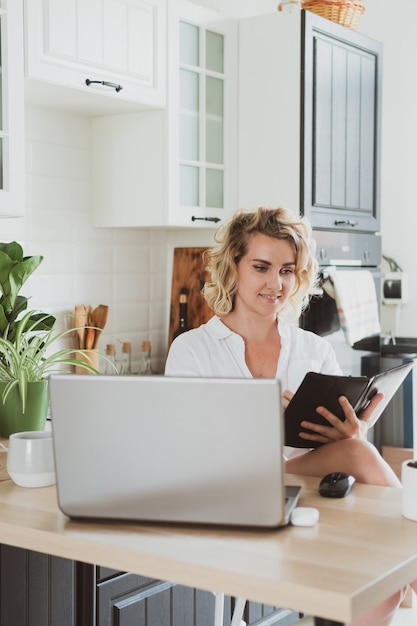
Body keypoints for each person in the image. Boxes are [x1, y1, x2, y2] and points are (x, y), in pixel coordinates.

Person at [165, 207, 407, 625]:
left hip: (305, 491)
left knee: (384, 588)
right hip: (228, 491)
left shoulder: (315, 349)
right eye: (261, 267)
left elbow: (345, 453)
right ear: (233, 267)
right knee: (358, 460)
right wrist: (255, 422)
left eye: (287, 270)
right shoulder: (193, 349)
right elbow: (182, 449)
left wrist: (354, 431)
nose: (275, 284)